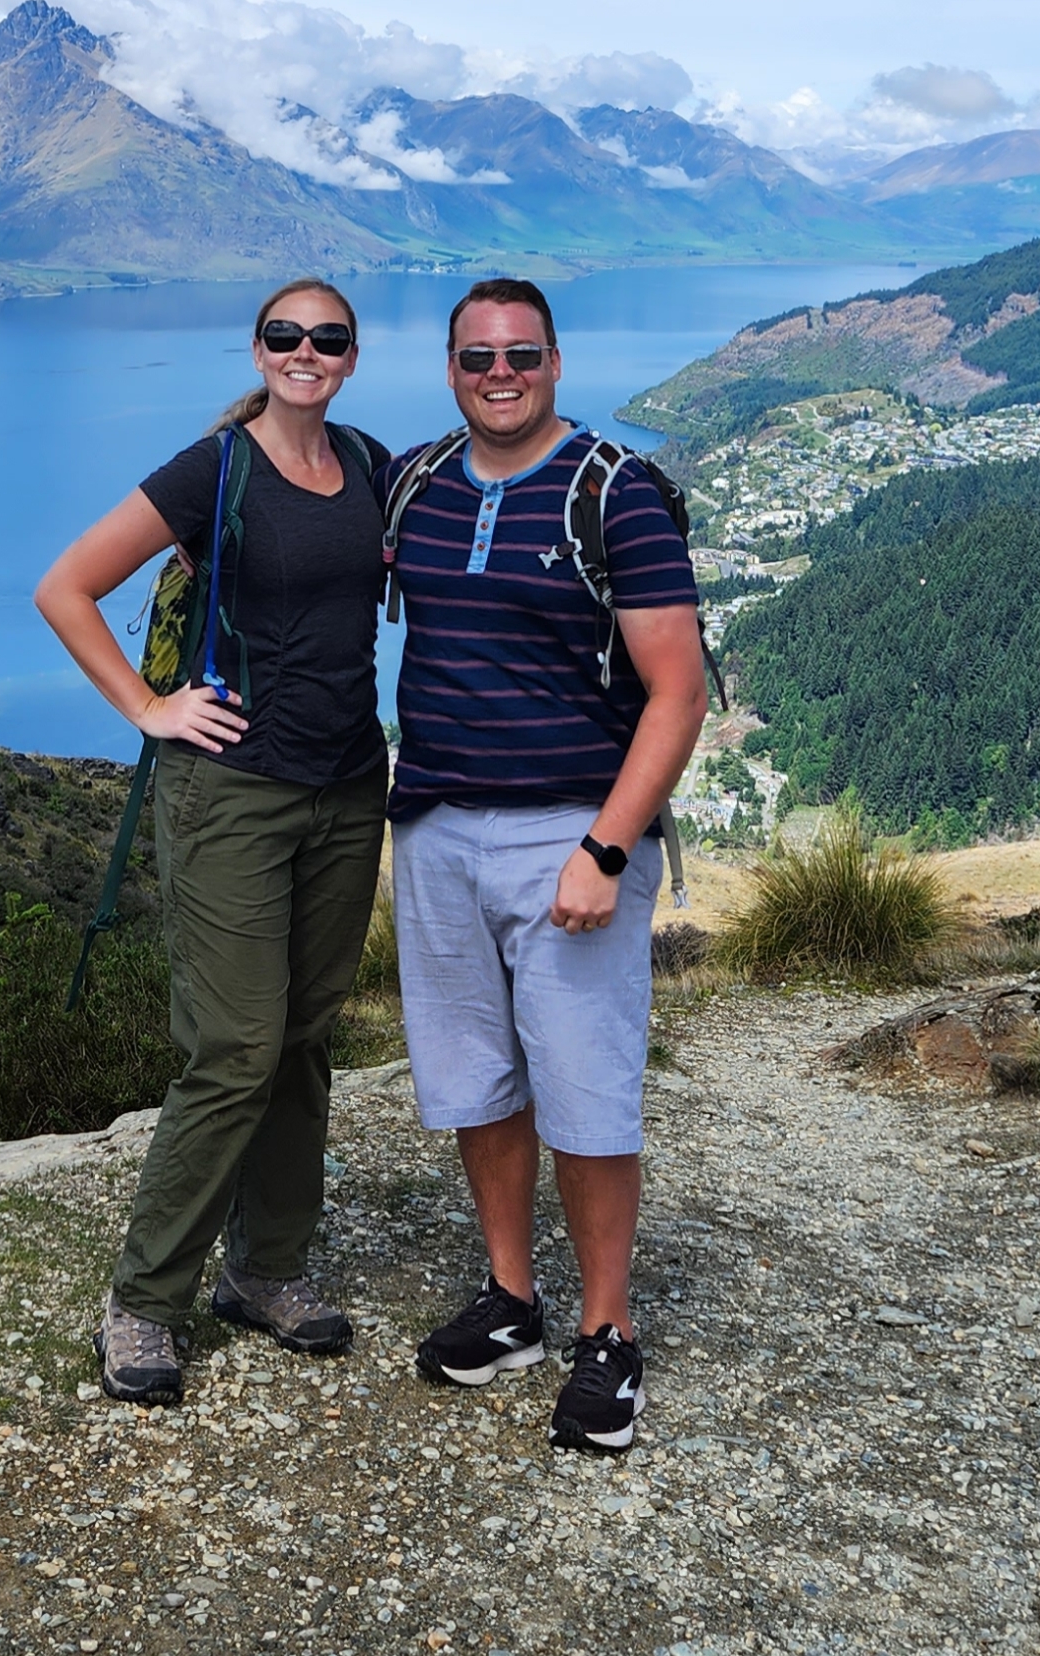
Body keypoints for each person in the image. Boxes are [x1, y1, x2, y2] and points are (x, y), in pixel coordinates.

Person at [33, 276, 394, 1407]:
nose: (306, 351)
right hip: (231, 790)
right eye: (286, 335)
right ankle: (143, 1300)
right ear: (258, 347)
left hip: (346, 786)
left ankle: (267, 1269)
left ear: (348, 354)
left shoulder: (373, 465)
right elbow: (66, 586)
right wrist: (148, 707)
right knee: (235, 1043)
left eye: (326, 338)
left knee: (299, 1034)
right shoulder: (217, 466)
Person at [383, 276, 710, 1457]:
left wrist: (606, 847)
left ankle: (607, 1333)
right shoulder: (416, 483)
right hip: (432, 828)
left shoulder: (613, 493)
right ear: (452, 368)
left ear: (558, 360)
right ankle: (512, 1300)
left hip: (567, 835)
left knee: (584, 1089)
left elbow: (678, 692)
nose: (500, 373)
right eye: (477, 357)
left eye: (521, 353)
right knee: (476, 1078)